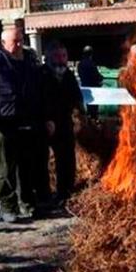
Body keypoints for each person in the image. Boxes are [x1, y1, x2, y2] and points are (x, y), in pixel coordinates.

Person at [0, 28, 54, 223]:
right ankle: (7, 207)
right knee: (6, 168)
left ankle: (27, 203)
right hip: (4, 124)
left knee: (28, 166)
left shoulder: (31, 61)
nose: (18, 45)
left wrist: (47, 118)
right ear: (3, 43)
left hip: (30, 122)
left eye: (20, 40)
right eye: (14, 41)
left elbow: (42, 92)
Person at [39, 41, 84, 204]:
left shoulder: (69, 75)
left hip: (65, 122)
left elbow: (77, 97)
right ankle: (44, 195)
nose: (62, 59)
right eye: (58, 56)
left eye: (64, 56)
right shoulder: (41, 74)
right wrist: (46, 119)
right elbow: (38, 100)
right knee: (43, 160)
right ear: (49, 57)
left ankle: (66, 192)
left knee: (67, 158)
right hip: (45, 124)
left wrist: (80, 113)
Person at [77, 45, 104, 119]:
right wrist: (101, 78)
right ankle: (94, 123)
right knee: (94, 110)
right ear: (91, 54)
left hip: (85, 88)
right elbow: (97, 76)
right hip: (93, 90)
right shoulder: (92, 64)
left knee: (88, 108)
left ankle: (89, 122)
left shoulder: (80, 64)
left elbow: (80, 75)